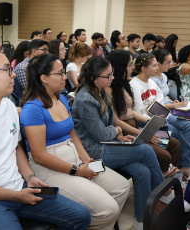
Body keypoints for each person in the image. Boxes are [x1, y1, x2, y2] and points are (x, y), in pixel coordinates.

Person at [0, 49, 91, 230]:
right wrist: (15, 195)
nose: (13, 73)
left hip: (19, 186)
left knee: (81, 216)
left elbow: (15, 148)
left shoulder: (7, 106)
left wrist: (29, 176)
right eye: (7, 69)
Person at [20, 53, 130, 230]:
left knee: (121, 187)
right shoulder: (32, 109)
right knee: (108, 209)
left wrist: (86, 160)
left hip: (75, 155)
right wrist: (78, 171)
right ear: (44, 78)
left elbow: (73, 134)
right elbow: (40, 156)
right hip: (50, 166)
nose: (66, 77)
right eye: (60, 73)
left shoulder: (61, 97)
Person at [71, 55, 164, 230]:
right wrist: (118, 131)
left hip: (107, 144)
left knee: (143, 171)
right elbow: (101, 135)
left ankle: (141, 220)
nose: (112, 78)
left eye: (112, 74)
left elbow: (109, 121)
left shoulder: (100, 90)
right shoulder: (85, 100)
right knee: (146, 150)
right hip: (92, 151)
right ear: (93, 78)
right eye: (107, 76)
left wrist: (118, 137)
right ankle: (163, 191)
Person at [106, 50, 181, 176]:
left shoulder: (124, 83)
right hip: (129, 131)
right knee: (164, 155)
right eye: (130, 65)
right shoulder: (112, 89)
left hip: (137, 125)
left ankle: (172, 178)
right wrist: (143, 131)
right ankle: (163, 187)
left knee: (174, 144)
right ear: (121, 67)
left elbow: (130, 110)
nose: (133, 68)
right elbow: (117, 120)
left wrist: (148, 121)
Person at [130, 53, 190, 178]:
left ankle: (185, 166)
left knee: (189, 126)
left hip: (160, 116)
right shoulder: (134, 85)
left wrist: (167, 113)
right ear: (143, 68)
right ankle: (172, 171)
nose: (157, 68)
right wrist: (159, 119)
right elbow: (139, 112)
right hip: (146, 122)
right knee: (176, 134)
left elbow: (160, 103)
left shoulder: (151, 82)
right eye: (154, 65)